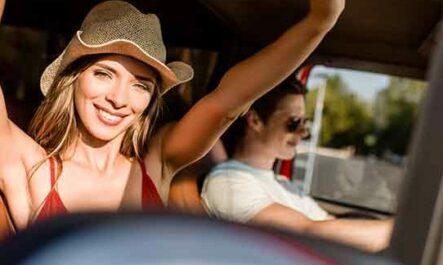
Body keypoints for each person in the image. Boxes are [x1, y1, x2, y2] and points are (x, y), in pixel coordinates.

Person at [0, 0, 344, 230]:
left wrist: (319, 21)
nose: (119, 99)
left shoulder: (157, 161)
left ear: (151, 99)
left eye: (141, 85)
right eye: (103, 74)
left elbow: (228, 101)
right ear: (73, 80)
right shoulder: (30, 167)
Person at [201, 78, 393, 252]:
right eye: (293, 123)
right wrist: (399, 229)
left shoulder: (284, 184)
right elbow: (308, 234)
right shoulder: (228, 183)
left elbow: (329, 224)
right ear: (255, 120)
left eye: (305, 123)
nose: (302, 132)